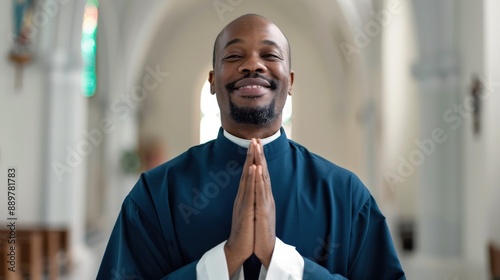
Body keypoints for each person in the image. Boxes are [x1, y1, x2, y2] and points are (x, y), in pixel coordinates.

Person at [97, 14, 405, 279]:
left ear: (291, 81)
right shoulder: (155, 193)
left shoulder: (346, 195)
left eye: (270, 56)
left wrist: (282, 261)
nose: (252, 65)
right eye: (233, 56)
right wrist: (227, 258)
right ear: (213, 80)